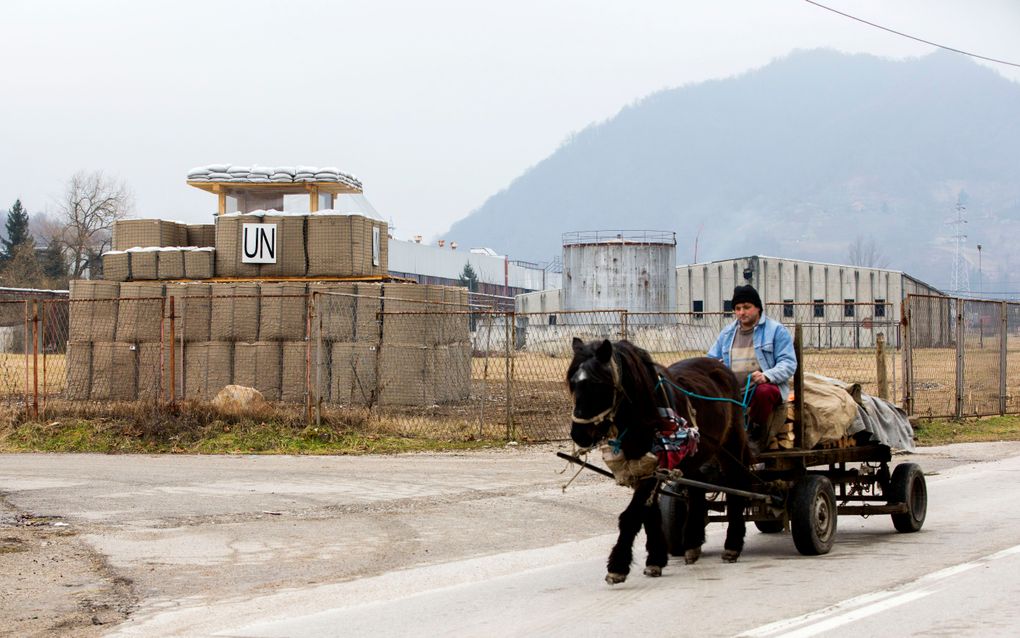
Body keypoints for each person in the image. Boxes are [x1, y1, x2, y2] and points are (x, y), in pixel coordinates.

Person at [707, 285, 797, 444]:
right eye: (738, 308)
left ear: (758, 308)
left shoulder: (776, 330)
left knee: (764, 392)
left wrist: (767, 376)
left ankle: (756, 433)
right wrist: (715, 366)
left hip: (759, 389)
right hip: (733, 391)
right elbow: (711, 359)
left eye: (747, 307)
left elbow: (788, 363)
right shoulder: (727, 333)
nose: (742, 312)